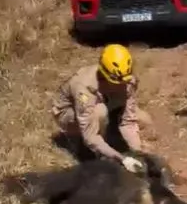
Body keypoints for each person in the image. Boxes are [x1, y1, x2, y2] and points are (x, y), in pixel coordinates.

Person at [51, 44, 150, 173]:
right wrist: (121, 159)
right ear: (104, 76)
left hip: (104, 100)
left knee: (144, 119)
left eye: (124, 81)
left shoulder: (127, 81)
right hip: (69, 112)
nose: (122, 85)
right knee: (100, 113)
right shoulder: (84, 87)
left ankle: (110, 133)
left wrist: (138, 153)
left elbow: (128, 122)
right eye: (116, 82)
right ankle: (84, 147)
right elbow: (90, 136)